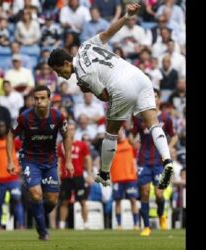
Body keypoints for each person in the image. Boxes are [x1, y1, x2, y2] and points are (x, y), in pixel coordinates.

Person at [47, 2, 174, 190]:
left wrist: (86, 89)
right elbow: (108, 33)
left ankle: (105, 173)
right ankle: (168, 161)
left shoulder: (83, 74)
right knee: (153, 123)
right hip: (139, 76)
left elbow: (106, 96)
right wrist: (126, 15)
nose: (59, 75)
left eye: (58, 71)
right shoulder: (85, 46)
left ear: (66, 63)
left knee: (111, 131)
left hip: (121, 85)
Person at [6, 85, 72, 240]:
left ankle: (38, 216)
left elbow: (67, 136)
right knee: (36, 195)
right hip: (30, 160)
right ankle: (43, 232)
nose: (39, 101)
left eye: (43, 98)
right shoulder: (24, 117)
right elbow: (10, 136)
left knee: (52, 200)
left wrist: (68, 160)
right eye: (36, 98)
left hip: (50, 162)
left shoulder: (58, 117)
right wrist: (11, 160)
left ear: (49, 100)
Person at [129, 88, 177, 236]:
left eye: (155, 96)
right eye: (151, 96)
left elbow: (174, 136)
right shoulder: (139, 118)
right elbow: (131, 135)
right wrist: (133, 143)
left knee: (159, 194)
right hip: (143, 160)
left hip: (159, 162)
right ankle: (147, 227)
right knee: (144, 192)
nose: (153, 99)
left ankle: (161, 214)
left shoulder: (166, 118)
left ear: (159, 100)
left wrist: (168, 147)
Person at [56, 122, 92, 229]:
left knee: (82, 201)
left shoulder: (81, 145)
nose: (70, 131)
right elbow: (59, 160)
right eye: (69, 129)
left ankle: (85, 224)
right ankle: (62, 225)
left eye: (72, 129)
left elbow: (88, 159)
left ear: (75, 131)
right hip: (66, 177)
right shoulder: (61, 145)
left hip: (78, 176)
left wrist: (89, 173)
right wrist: (58, 174)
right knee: (64, 201)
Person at [0, 120, 24, 230]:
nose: (0, 128)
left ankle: (20, 225)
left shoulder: (14, 141)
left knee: (17, 199)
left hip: (13, 177)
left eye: (2, 126)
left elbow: (24, 151)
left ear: (6, 128)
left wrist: (21, 166)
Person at [110, 127, 139, 230]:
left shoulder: (130, 144)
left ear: (123, 132)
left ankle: (135, 224)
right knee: (118, 201)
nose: (118, 133)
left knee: (133, 200)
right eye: (116, 132)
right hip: (117, 178)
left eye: (119, 131)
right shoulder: (111, 146)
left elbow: (137, 146)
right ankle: (119, 225)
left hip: (130, 177)